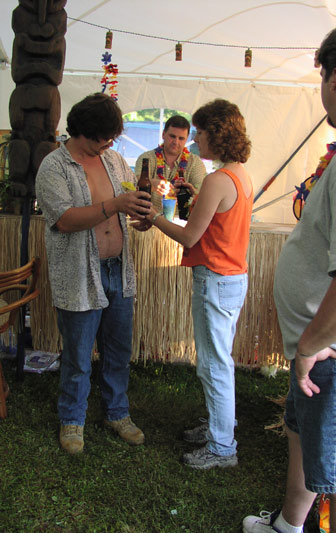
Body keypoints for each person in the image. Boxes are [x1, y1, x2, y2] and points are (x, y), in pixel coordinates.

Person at [243, 29, 336, 533]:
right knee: (303, 438)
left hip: (324, 352)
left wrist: (311, 346)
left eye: (321, 76)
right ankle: (288, 525)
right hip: (316, 348)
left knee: (331, 468)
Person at [35, 93, 152, 455]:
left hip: (118, 270)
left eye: (112, 138)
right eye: (103, 138)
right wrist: (115, 204)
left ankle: (117, 413)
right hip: (78, 274)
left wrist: (141, 215)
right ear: (82, 132)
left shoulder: (113, 160)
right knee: (78, 355)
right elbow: (65, 220)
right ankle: (72, 419)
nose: (109, 145)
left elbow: (129, 200)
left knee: (118, 351)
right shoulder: (54, 167)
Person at [146, 99, 253, 470]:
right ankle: (219, 425)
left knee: (213, 364)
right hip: (231, 277)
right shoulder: (238, 174)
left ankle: (222, 446)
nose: (195, 140)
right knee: (218, 360)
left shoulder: (217, 180)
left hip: (216, 278)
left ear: (217, 135)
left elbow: (190, 236)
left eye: (201, 132)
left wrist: (154, 217)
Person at [134, 115, 206, 211]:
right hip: (149, 216)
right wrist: (151, 183)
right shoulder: (147, 158)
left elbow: (202, 196)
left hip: (181, 218)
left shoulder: (195, 163)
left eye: (181, 138)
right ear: (163, 134)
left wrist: (189, 191)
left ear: (186, 139)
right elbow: (134, 183)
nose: (176, 142)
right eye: (172, 136)